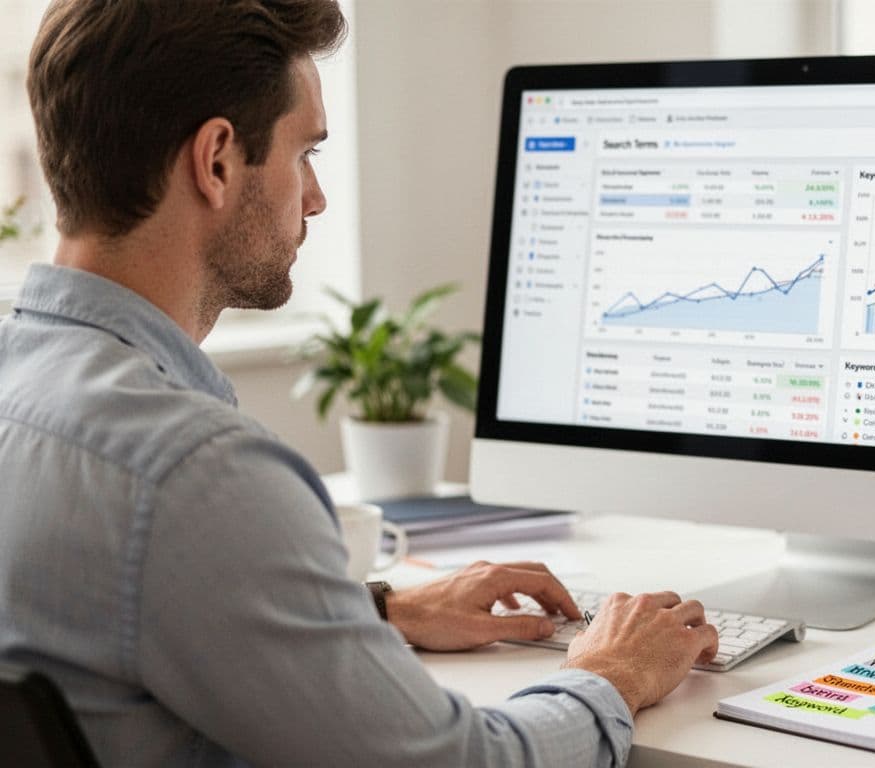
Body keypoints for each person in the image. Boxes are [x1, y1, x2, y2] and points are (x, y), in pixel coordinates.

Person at [0, 1, 719, 765]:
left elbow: (127, 618)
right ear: (215, 162)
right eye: (304, 153)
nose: (315, 197)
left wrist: (375, 611)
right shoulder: (193, 473)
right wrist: (611, 675)